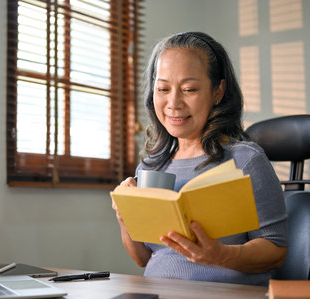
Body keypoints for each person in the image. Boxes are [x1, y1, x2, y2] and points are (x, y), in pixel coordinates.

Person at [111, 32, 288, 286]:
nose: (173, 103)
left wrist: (222, 255)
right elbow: (143, 257)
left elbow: (276, 252)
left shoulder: (245, 160)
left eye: (189, 89)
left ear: (218, 91)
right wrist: (124, 218)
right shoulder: (151, 165)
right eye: (163, 89)